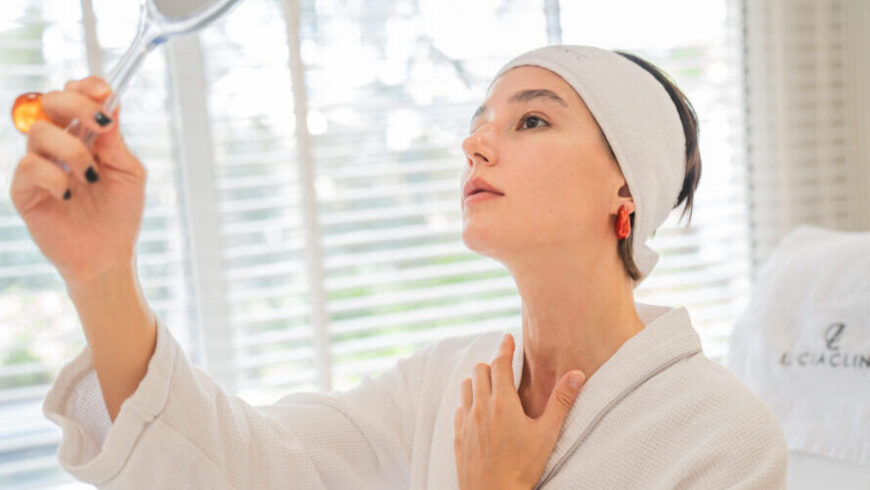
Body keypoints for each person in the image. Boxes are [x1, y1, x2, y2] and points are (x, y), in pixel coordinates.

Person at [10, 45, 787, 489]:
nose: (475, 144)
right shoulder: (444, 385)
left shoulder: (722, 437)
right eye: (479, 124)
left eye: (531, 119)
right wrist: (101, 274)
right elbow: (239, 466)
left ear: (628, 186)